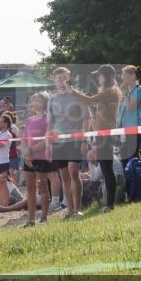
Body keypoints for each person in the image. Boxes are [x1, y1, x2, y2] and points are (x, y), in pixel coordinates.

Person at [72, 64, 123, 212]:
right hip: (102, 133)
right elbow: (94, 110)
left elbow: (89, 101)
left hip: (106, 133)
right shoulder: (108, 91)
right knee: (106, 168)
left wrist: (73, 91)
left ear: (105, 76)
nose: (97, 77)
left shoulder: (111, 91)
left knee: (107, 169)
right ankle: (109, 203)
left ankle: (110, 204)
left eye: (99, 75)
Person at [48, 67, 88, 219]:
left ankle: (77, 208)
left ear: (68, 78)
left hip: (75, 139)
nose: (61, 80)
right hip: (58, 142)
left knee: (73, 171)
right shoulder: (52, 99)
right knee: (64, 176)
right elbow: (50, 124)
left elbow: (86, 119)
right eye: (58, 78)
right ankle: (70, 210)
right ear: (54, 80)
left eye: (63, 77)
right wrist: (48, 146)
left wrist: (84, 140)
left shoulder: (78, 96)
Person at [18, 92, 54, 225]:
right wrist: (25, 153)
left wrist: (31, 150)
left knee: (43, 186)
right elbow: (24, 139)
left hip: (41, 157)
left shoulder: (48, 119)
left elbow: (47, 140)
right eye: (32, 101)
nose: (33, 103)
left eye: (36, 101)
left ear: (44, 103)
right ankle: (30, 218)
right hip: (28, 157)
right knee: (30, 188)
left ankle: (44, 217)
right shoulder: (29, 120)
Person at [118, 65, 141, 168]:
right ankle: (129, 182)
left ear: (132, 76)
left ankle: (136, 181)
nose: (122, 78)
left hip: (134, 128)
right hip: (123, 129)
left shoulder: (140, 90)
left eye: (124, 75)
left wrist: (125, 94)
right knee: (124, 157)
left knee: (132, 157)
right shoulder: (127, 92)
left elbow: (130, 108)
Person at [0, 113, 14, 204]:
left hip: (3, 162)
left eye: (1, 121)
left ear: (6, 124)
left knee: (2, 184)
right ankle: (1, 202)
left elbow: (0, 145)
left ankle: (5, 204)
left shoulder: (8, 135)